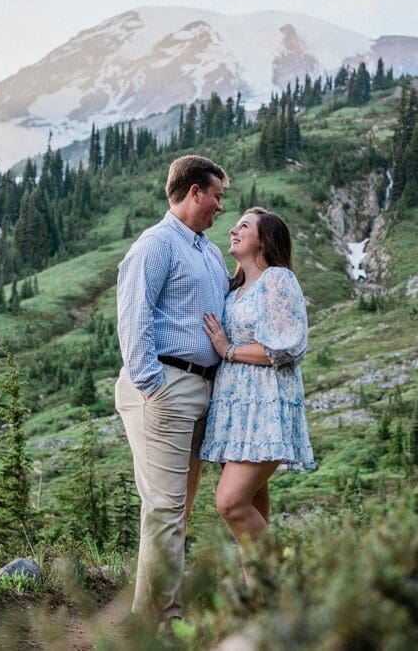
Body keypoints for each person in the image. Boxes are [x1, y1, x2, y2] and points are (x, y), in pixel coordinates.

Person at [114, 154, 230, 627]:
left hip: (201, 389)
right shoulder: (156, 245)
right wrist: (152, 385)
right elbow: (133, 315)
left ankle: (150, 615)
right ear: (195, 192)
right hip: (166, 386)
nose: (221, 207)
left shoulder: (210, 251)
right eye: (217, 196)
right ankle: (162, 625)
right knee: (165, 506)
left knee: (175, 509)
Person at [200, 207, 316, 557]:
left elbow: (286, 347)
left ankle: (284, 582)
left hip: (265, 407)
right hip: (234, 411)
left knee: (231, 502)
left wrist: (228, 349)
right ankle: (261, 602)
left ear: (263, 240)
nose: (233, 230)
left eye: (244, 226)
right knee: (253, 507)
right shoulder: (233, 289)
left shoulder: (277, 280)